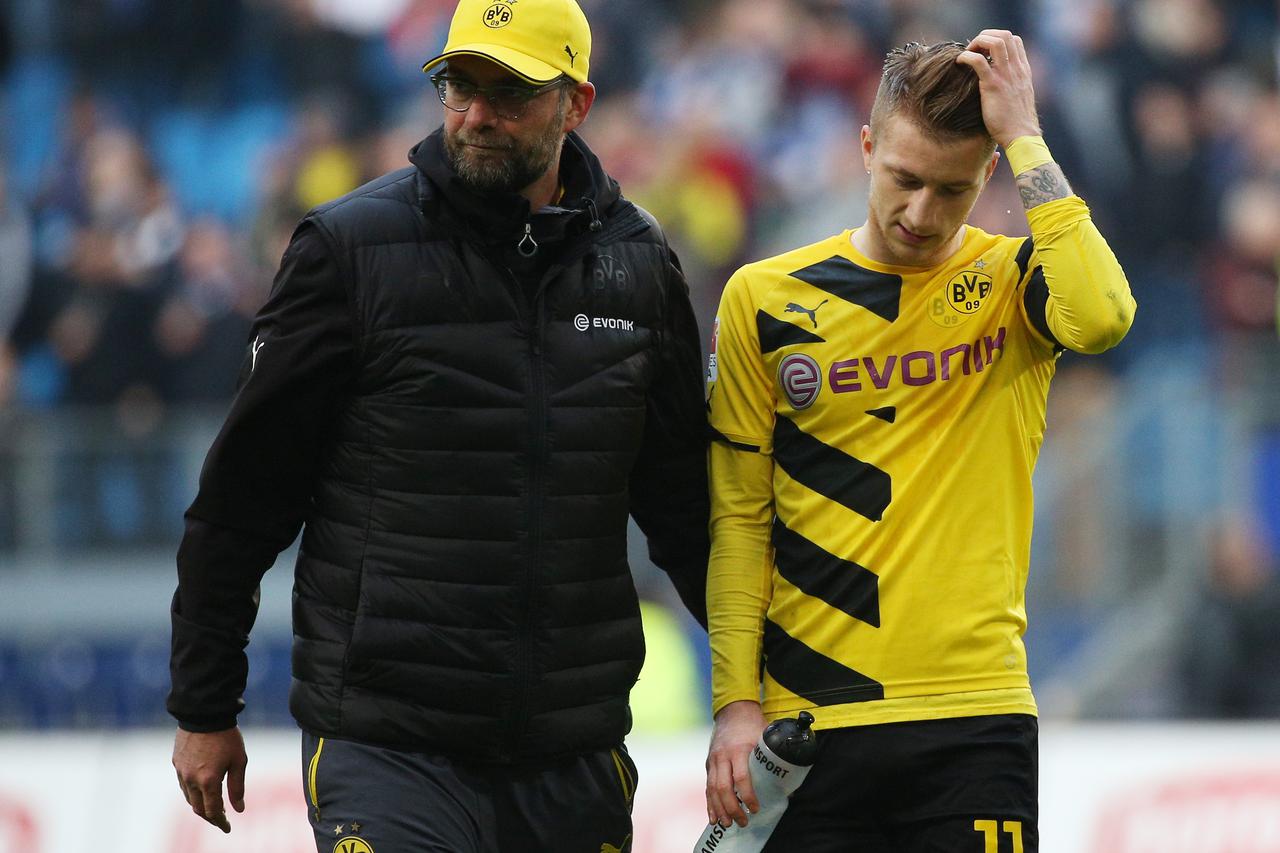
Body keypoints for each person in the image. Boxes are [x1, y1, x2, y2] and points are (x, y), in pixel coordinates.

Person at [167, 0, 711, 850]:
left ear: (578, 104)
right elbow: (242, 498)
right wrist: (204, 704)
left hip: (572, 754)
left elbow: (691, 511)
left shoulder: (639, 265)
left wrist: (767, 688)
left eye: (511, 92)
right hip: (387, 748)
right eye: (460, 85)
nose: (477, 115)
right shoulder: (346, 251)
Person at [702, 32, 1136, 851]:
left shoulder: (1013, 283)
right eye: (903, 178)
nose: (921, 213)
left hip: (975, 719)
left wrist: (1027, 139)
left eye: (952, 189)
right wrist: (735, 703)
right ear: (866, 147)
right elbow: (740, 519)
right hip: (806, 730)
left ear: (987, 176)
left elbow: (1105, 314)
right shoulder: (764, 299)